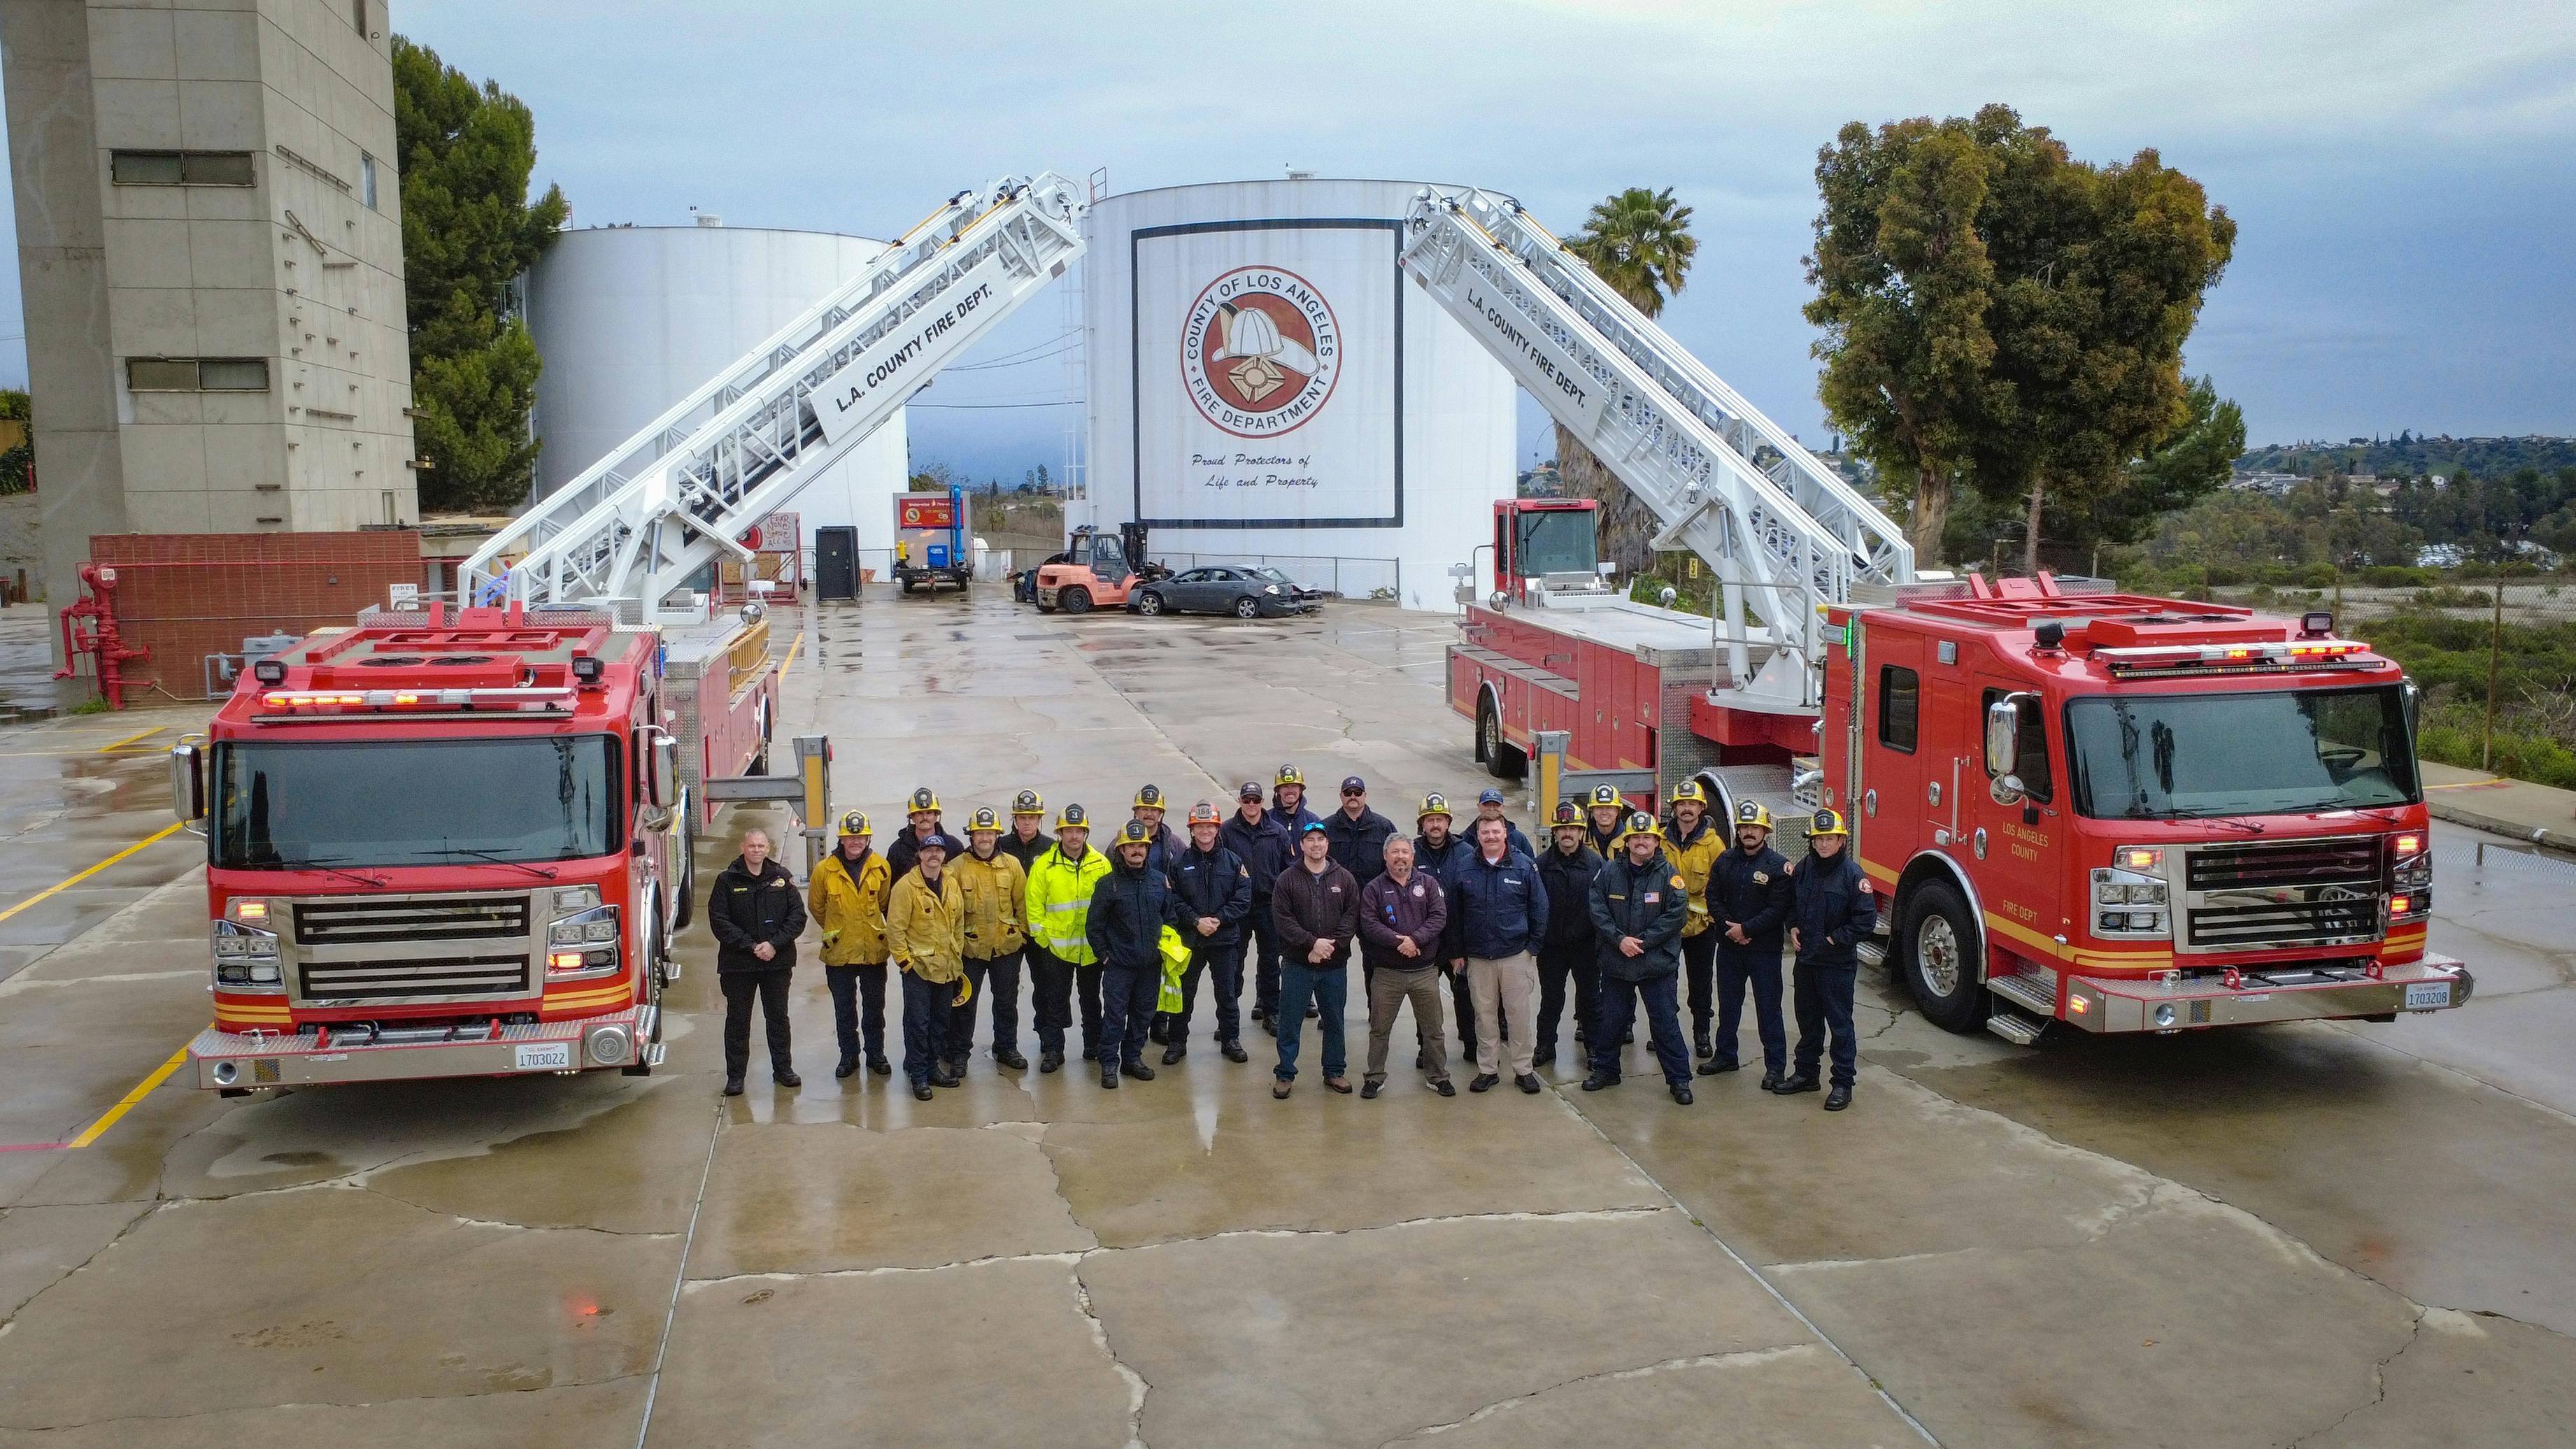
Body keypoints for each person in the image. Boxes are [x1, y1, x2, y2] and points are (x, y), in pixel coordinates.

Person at [1582, 812, 1695, 1104]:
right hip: (1617, 962)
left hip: (1656, 964)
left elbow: (1676, 916)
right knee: (1612, 1020)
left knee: (1665, 1023)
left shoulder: (1670, 875)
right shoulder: (1608, 873)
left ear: (1656, 842)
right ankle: (1606, 1070)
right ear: (1628, 841)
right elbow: (1597, 909)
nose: (1641, 842)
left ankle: (1679, 1079)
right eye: (1636, 838)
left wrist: (1642, 942)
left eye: (1648, 838)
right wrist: (1619, 940)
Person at [1776, 808, 1876, 1111]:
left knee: (1840, 1025)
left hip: (1836, 965)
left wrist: (1834, 940)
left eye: (1829, 838)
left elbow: (1865, 921)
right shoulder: (1805, 868)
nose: (1823, 845)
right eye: (1818, 839)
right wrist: (1792, 926)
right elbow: (1792, 903)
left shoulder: (1853, 876)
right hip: (1806, 962)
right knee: (1808, 1021)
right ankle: (1806, 1074)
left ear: (1841, 840)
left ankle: (1842, 1084)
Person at [1451, 815, 1549, 1095]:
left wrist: (1532, 947)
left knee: (1518, 1015)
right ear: (1478, 835)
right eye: (1485, 832)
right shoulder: (1465, 867)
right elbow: (1455, 915)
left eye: (1496, 831)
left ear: (1505, 833)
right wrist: (1458, 952)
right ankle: (1488, 1069)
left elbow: (1540, 908)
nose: (1491, 837)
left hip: (1515, 955)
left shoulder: (1524, 866)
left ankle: (1523, 1070)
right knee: (1484, 1016)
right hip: (1479, 957)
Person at [1086, 820, 1183, 1088]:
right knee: (1115, 1016)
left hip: (1150, 965)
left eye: (1141, 846)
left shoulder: (1158, 880)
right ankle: (1108, 1064)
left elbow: (1170, 918)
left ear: (1147, 849)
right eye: (1131, 846)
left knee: (1143, 1015)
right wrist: (1105, 956)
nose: (1137, 851)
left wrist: (1163, 949)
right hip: (1119, 966)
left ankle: (1132, 1059)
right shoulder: (1108, 884)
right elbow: (1094, 926)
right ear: (1122, 850)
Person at [709, 827, 806, 1096]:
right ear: (743, 847)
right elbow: (719, 921)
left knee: (778, 1018)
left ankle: (784, 1070)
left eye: (761, 846)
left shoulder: (782, 879)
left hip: (777, 963)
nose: (757, 851)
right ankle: (736, 1077)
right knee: (738, 1021)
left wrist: (774, 944)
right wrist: (751, 946)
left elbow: (798, 916)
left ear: (768, 848)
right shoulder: (726, 881)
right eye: (752, 846)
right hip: (739, 966)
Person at [1702, 800, 1791, 1085]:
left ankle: (1775, 1068)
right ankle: (1726, 1055)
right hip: (1729, 947)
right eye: (1744, 827)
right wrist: (1730, 928)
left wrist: (1747, 929)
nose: (1749, 832)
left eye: (1755, 827)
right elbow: (1712, 896)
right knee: (1728, 1006)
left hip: (1763, 951)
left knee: (1769, 1009)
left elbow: (1779, 909)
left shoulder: (1778, 866)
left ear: (1765, 831)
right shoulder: (1725, 861)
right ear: (1738, 831)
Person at [1269, 820, 1358, 1098]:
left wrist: (1328, 947)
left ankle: (1334, 1071)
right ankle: (1285, 1073)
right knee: (1290, 1021)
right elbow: (1283, 920)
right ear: (1301, 846)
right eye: (1310, 840)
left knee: (1334, 1020)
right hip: (1297, 964)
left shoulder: (1344, 878)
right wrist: (1311, 943)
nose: (1316, 845)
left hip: (1334, 966)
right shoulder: (1287, 880)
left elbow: (1352, 916)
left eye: (1320, 839)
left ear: (1327, 844)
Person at [1358, 835, 1451, 1098]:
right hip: (1387, 974)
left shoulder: (1429, 884)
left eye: (1405, 852)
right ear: (1385, 856)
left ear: (1413, 856)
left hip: (1424, 972)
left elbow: (1438, 917)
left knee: (1433, 1030)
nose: (1400, 857)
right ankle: (1375, 1077)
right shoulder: (1373, 889)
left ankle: (1438, 1076)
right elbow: (1369, 923)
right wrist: (1398, 942)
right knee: (1379, 1030)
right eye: (1395, 852)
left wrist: (1415, 940)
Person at [1024, 804, 1111, 1073]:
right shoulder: (1044, 867)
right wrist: (1044, 940)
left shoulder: (1101, 864)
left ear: (1086, 833)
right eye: (1068, 831)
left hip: (1091, 949)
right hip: (1056, 950)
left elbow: (1111, 904)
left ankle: (1093, 1046)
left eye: (1078, 830)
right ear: (1059, 833)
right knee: (1054, 1000)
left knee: (1091, 1000)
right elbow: (1034, 906)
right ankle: (1053, 1050)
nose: (1074, 836)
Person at [1163, 801, 1253, 1064]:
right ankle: (1177, 1042)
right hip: (1190, 940)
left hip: (1224, 940)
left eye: (1210, 827)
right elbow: (1173, 900)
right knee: (1185, 994)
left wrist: (1218, 920)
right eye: (1200, 826)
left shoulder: (1234, 862)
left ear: (1217, 829)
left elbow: (1242, 898)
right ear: (1192, 830)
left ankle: (1230, 1040)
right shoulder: (1179, 863)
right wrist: (1195, 921)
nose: (1205, 831)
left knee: (1227, 993)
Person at [808, 811, 893, 1080]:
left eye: (860, 837)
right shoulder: (824, 870)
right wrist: (839, 928)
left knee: (874, 1009)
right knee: (844, 1010)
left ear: (868, 838)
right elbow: (817, 907)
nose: (855, 842)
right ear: (841, 839)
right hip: (839, 953)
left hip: (873, 952)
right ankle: (849, 1056)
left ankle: (876, 1054)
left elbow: (883, 903)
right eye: (850, 837)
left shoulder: (881, 867)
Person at [884, 833, 967, 1101]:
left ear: (944, 855)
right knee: (918, 1024)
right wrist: (905, 962)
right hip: (918, 970)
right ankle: (918, 1075)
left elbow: (959, 924)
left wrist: (956, 955)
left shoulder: (951, 883)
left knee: (940, 1022)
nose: (934, 855)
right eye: (928, 850)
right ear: (919, 855)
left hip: (946, 967)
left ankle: (932, 1068)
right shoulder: (906, 887)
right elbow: (895, 929)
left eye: (939, 851)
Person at [951, 806, 1030, 1073]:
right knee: (964, 1004)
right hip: (970, 950)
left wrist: (1021, 936)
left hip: (1006, 949)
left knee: (1006, 1001)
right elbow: (950, 912)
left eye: (989, 833)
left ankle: (1007, 1047)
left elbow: (1022, 905)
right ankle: (960, 1053)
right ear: (971, 836)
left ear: (997, 835)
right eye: (979, 833)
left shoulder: (1012, 865)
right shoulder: (956, 868)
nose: (984, 838)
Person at [1532, 801, 1604, 1070]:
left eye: (1573, 828)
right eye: (1562, 829)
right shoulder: (1540, 865)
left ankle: (1595, 1049)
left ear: (1581, 832)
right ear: (1554, 832)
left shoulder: (1596, 864)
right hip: (1552, 947)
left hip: (1586, 946)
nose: (1567, 834)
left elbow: (1603, 905)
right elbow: (1535, 906)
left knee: (1590, 1000)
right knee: (1551, 999)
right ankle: (1545, 1046)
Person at [1660, 780, 1727, 1060]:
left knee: (1701, 986)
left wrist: (1715, 920)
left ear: (1701, 807)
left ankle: (1702, 1035)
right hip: (1667, 929)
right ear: (1674, 808)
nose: (1687, 809)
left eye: (1692, 804)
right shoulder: (1660, 840)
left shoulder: (1714, 844)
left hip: (1702, 929)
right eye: (1682, 804)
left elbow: (1722, 885)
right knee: (1665, 985)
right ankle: (1667, 1034)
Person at [1410, 794, 1478, 1068]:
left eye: (1440, 819)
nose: (1435, 825)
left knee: (1466, 995)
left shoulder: (1466, 852)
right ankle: (1425, 1048)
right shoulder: (1412, 852)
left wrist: (1460, 946)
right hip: (1426, 940)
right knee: (1425, 999)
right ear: (1422, 824)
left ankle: (1472, 1045)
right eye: (1430, 820)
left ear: (1448, 822)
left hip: (1458, 939)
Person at [1221, 781, 1294, 1033]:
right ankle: (1229, 1019)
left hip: (1268, 906)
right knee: (1234, 964)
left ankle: (1271, 1012)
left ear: (1263, 802)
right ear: (1240, 801)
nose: (1251, 804)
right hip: (1237, 909)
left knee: (1271, 962)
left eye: (1255, 800)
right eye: (1246, 799)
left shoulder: (1277, 832)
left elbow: (1289, 870)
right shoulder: (1226, 831)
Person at [1324, 776, 1398, 887]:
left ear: (1365, 796)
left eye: (1358, 792)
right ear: (1341, 796)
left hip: (1374, 896)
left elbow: (1396, 861)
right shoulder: (1326, 828)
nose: (1353, 796)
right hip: (1337, 896)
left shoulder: (1384, 827)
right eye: (1348, 793)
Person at [885, 785, 967, 881]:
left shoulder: (953, 846)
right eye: (920, 813)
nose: (925, 818)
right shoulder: (898, 850)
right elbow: (893, 888)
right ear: (912, 817)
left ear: (936, 816)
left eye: (929, 813)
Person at [998, 790, 1053, 873]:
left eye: (1032, 818)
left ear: (1039, 820)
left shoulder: (1050, 847)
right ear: (1015, 820)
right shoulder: (1001, 845)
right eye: (1022, 818)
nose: (1027, 823)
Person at [1472, 788, 1533, 858]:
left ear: (1502, 807)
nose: (1492, 809)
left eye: (1496, 805)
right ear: (1479, 807)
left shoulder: (1518, 838)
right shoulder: (1467, 837)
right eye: (1487, 805)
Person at [1270, 764, 1323, 837]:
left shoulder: (1313, 821)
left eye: (1294, 786)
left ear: (1301, 790)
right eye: (1285, 786)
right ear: (1278, 791)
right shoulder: (1267, 820)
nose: (1290, 790)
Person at [1583, 784, 1628, 859]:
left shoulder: (1629, 840)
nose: (1604, 812)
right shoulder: (1581, 839)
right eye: (1599, 808)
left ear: (1618, 811)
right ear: (1592, 811)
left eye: (1609, 808)